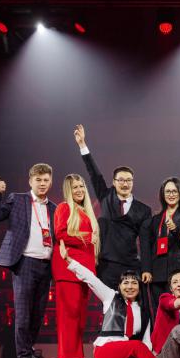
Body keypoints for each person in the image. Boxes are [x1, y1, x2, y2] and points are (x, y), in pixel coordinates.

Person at [0, 164, 56, 358]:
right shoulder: (18, 199)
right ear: (30, 181)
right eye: (38, 180)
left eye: (45, 180)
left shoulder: (54, 208)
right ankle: (23, 357)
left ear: (50, 182)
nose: (42, 184)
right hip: (25, 262)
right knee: (24, 313)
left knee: (38, 314)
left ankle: (30, 353)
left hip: (46, 265)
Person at [73, 124, 152, 289]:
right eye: (121, 180)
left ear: (133, 182)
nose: (125, 184)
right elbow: (94, 174)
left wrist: (146, 268)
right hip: (106, 264)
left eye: (128, 180)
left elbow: (145, 241)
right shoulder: (105, 196)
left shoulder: (144, 210)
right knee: (109, 303)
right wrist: (82, 145)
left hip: (131, 265)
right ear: (114, 183)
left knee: (132, 304)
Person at [52, 174, 99, 358]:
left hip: (83, 271)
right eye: (75, 187)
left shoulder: (86, 211)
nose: (79, 190)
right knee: (69, 316)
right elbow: (60, 233)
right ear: (68, 191)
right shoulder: (64, 208)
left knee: (79, 318)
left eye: (81, 186)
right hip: (68, 269)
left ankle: (76, 357)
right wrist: (87, 237)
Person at [149, 177, 180, 312]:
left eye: (174, 191)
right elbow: (150, 246)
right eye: (168, 191)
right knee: (158, 311)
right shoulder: (156, 219)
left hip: (177, 272)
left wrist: (175, 229)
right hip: (157, 273)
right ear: (163, 194)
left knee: (179, 312)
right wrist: (148, 270)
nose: (171, 194)